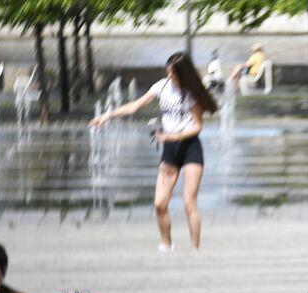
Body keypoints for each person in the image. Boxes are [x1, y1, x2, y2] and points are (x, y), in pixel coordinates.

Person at [90, 52, 218, 252]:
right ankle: (167, 244)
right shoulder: (162, 87)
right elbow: (135, 106)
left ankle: (195, 251)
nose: (170, 78)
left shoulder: (192, 93)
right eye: (168, 73)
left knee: (189, 203)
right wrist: (107, 115)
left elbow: (197, 126)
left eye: (174, 75)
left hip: (190, 147)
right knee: (159, 203)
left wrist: (173, 136)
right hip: (170, 149)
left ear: (184, 75)